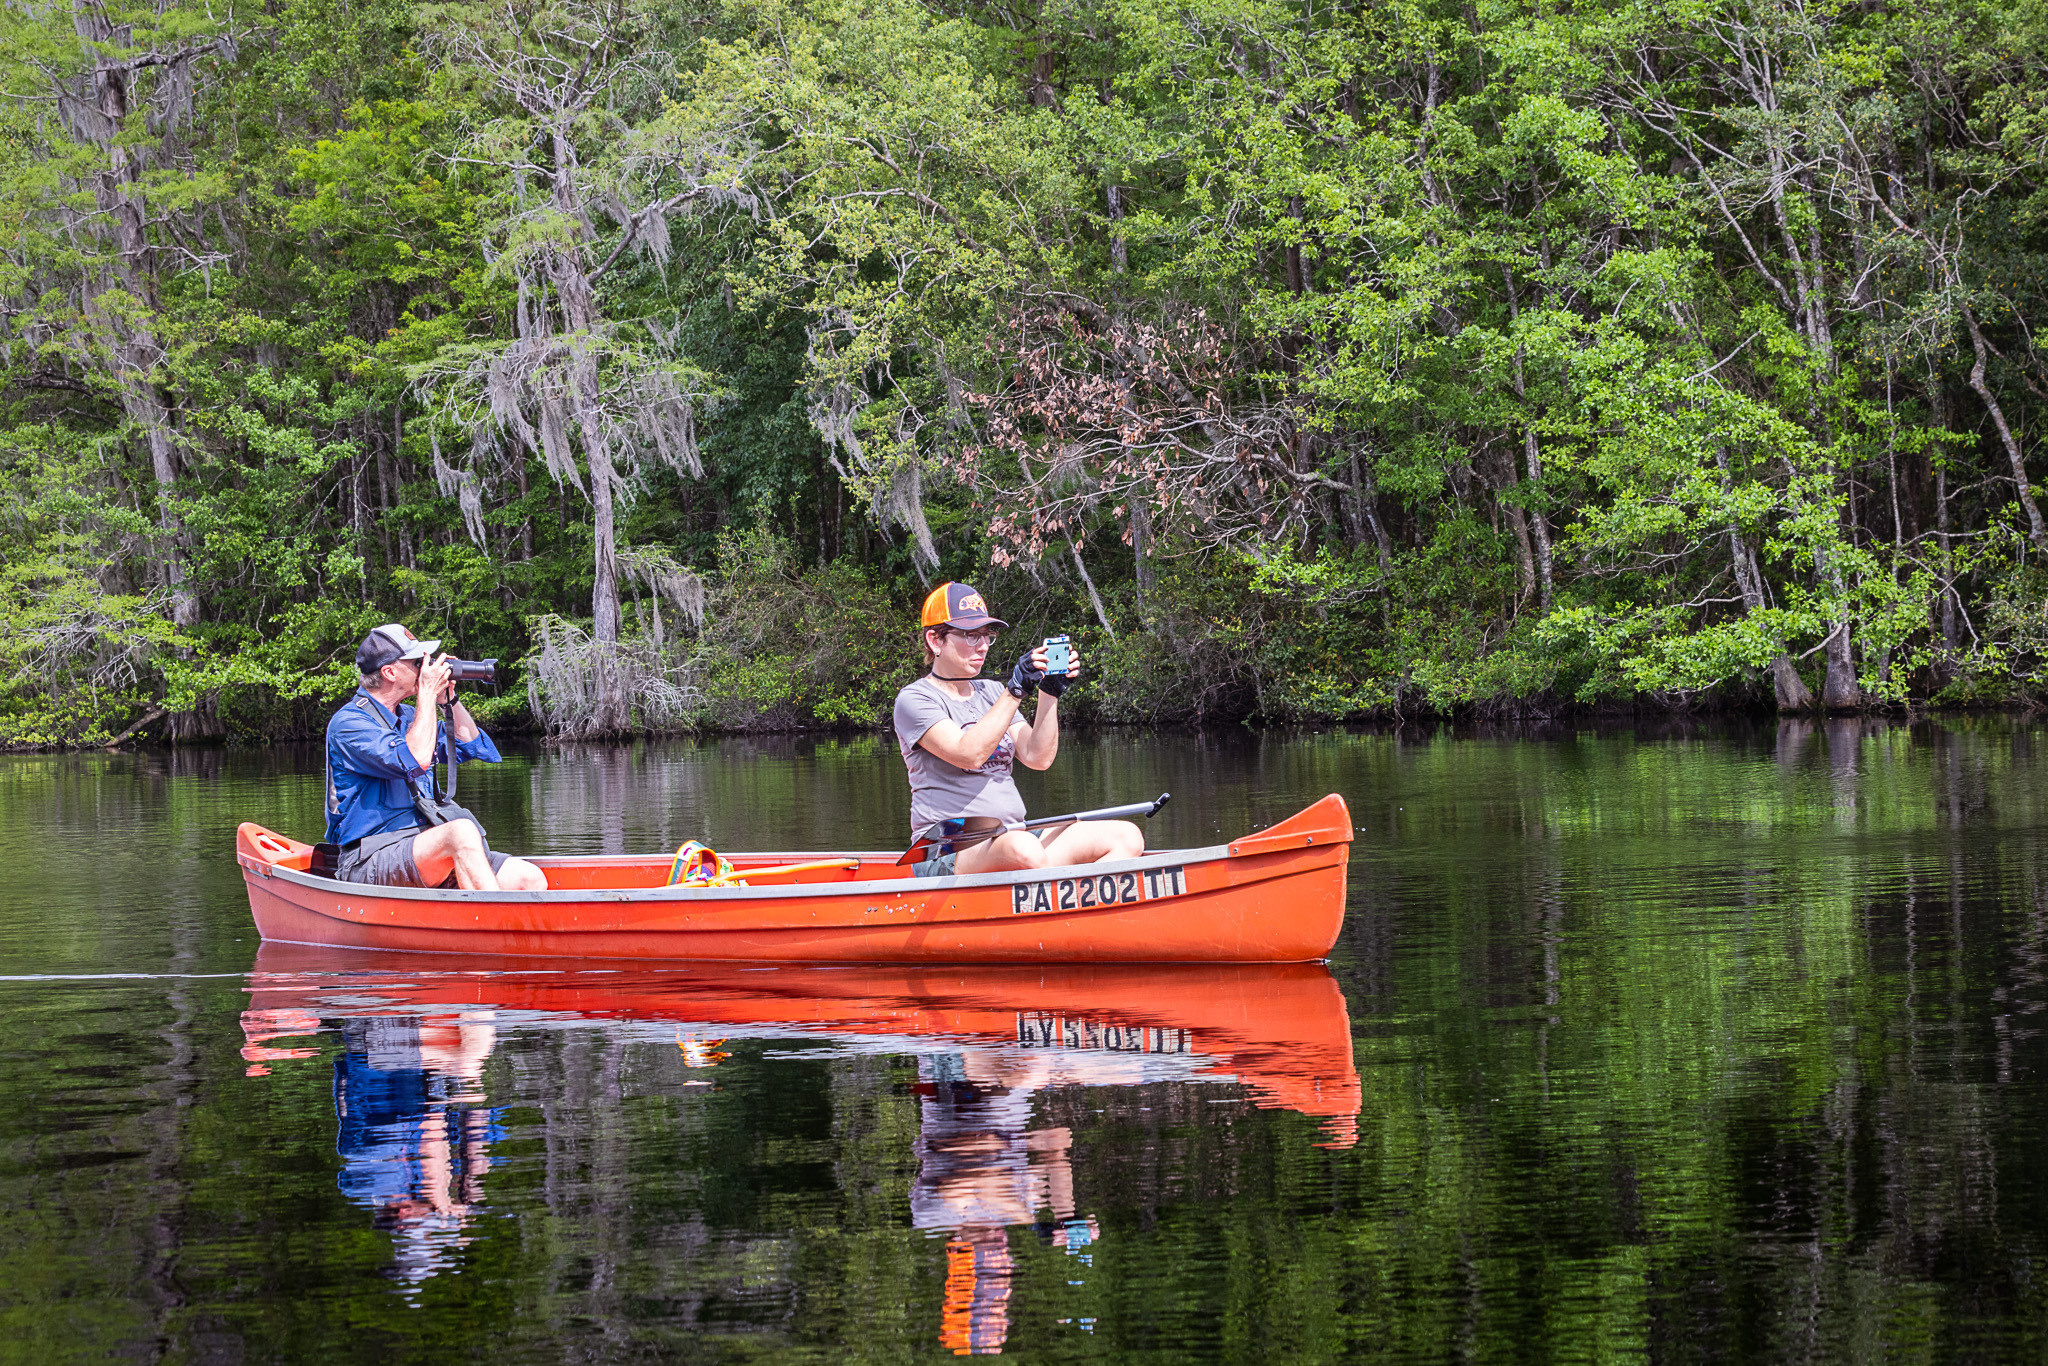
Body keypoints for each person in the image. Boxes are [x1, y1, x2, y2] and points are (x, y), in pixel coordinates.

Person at [893, 582, 1144, 876]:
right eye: (971, 635)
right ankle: (1053, 889)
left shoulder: (991, 692)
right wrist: (1014, 691)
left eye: (987, 635)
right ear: (935, 640)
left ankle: (1066, 908)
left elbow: (1038, 757)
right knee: (1023, 850)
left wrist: (1049, 693)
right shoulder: (914, 699)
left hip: (1015, 838)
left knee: (1127, 837)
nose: (983, 645)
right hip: (948, 850)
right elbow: (969, 754)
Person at [324, 623, 547, 892]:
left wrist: (447, 700)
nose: (425, 667)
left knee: (528, 878)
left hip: (424, 848)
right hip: (370, 857)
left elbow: (470, 743)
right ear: (389, 672)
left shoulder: (409, 716)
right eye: (417, 661)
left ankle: (477, 921)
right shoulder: (349, 724)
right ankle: (491, 924)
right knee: (461, 831)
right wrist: (427, 694)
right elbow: (414, 759)